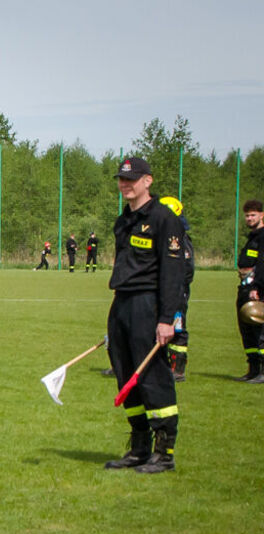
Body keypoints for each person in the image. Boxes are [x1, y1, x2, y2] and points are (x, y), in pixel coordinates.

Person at [103, 157, 185, 474]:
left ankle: (164, 452)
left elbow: (173, 273)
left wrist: (167, 319)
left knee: (152, 377)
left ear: (147, 181)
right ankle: (139, 448)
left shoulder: (164, 219)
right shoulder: (124, 220)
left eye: (132, 179)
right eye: (122, 179)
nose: (126, 184)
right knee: (126, 377)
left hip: (148, 306)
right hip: (122, 303)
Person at [159, 197, 195, 382]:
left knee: (177, 328)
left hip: (176, 291)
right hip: (162, 290)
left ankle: (177, 369)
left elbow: (187, 268)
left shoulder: (180, 238)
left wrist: (176, 288)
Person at [235, 199, 264, 382]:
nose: (249, 218)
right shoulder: (252, 237)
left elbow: (262, 265)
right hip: (245, 287)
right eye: (247, 215)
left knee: (260, 331)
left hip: (257, 289)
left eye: (253, 215)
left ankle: (262, 371)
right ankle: (252, 369)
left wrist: (257, 287)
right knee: (246, 330)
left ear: (262, 215)